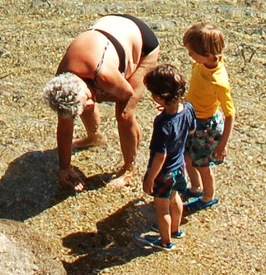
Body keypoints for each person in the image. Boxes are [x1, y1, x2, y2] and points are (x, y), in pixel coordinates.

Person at [41, 15, 161, 192]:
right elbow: (65, 126)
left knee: (124, 114)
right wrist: (64, 168)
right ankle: (93, 138)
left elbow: (126, 93)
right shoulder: (63, 82)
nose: (91, 103)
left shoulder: (103, 74)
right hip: (110, 31)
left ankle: (130, 167)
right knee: (82, 105)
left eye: (87, 98)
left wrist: (100, 96)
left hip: (143, 43)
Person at [137, 65, 195, 250]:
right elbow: (191, 130)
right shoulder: (188, 108)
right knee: (175, 197)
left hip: (164, 173)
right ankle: (176, 230)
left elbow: (160, 155)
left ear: (160, 97)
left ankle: (165, 242)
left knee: (162, 209)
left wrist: (150, 178)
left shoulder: (162, 124)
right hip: (179, 167)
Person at [181, 21, 236, 211]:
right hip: (192, 117)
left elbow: (230, 114)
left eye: (192, 53)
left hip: (205, 126)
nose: (190, 56)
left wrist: (222, 144)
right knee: (187, 156)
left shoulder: (218, 81)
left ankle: (208, 196)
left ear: (209, 55)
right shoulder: (201, 63)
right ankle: (195, 188)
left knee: (203, 165)